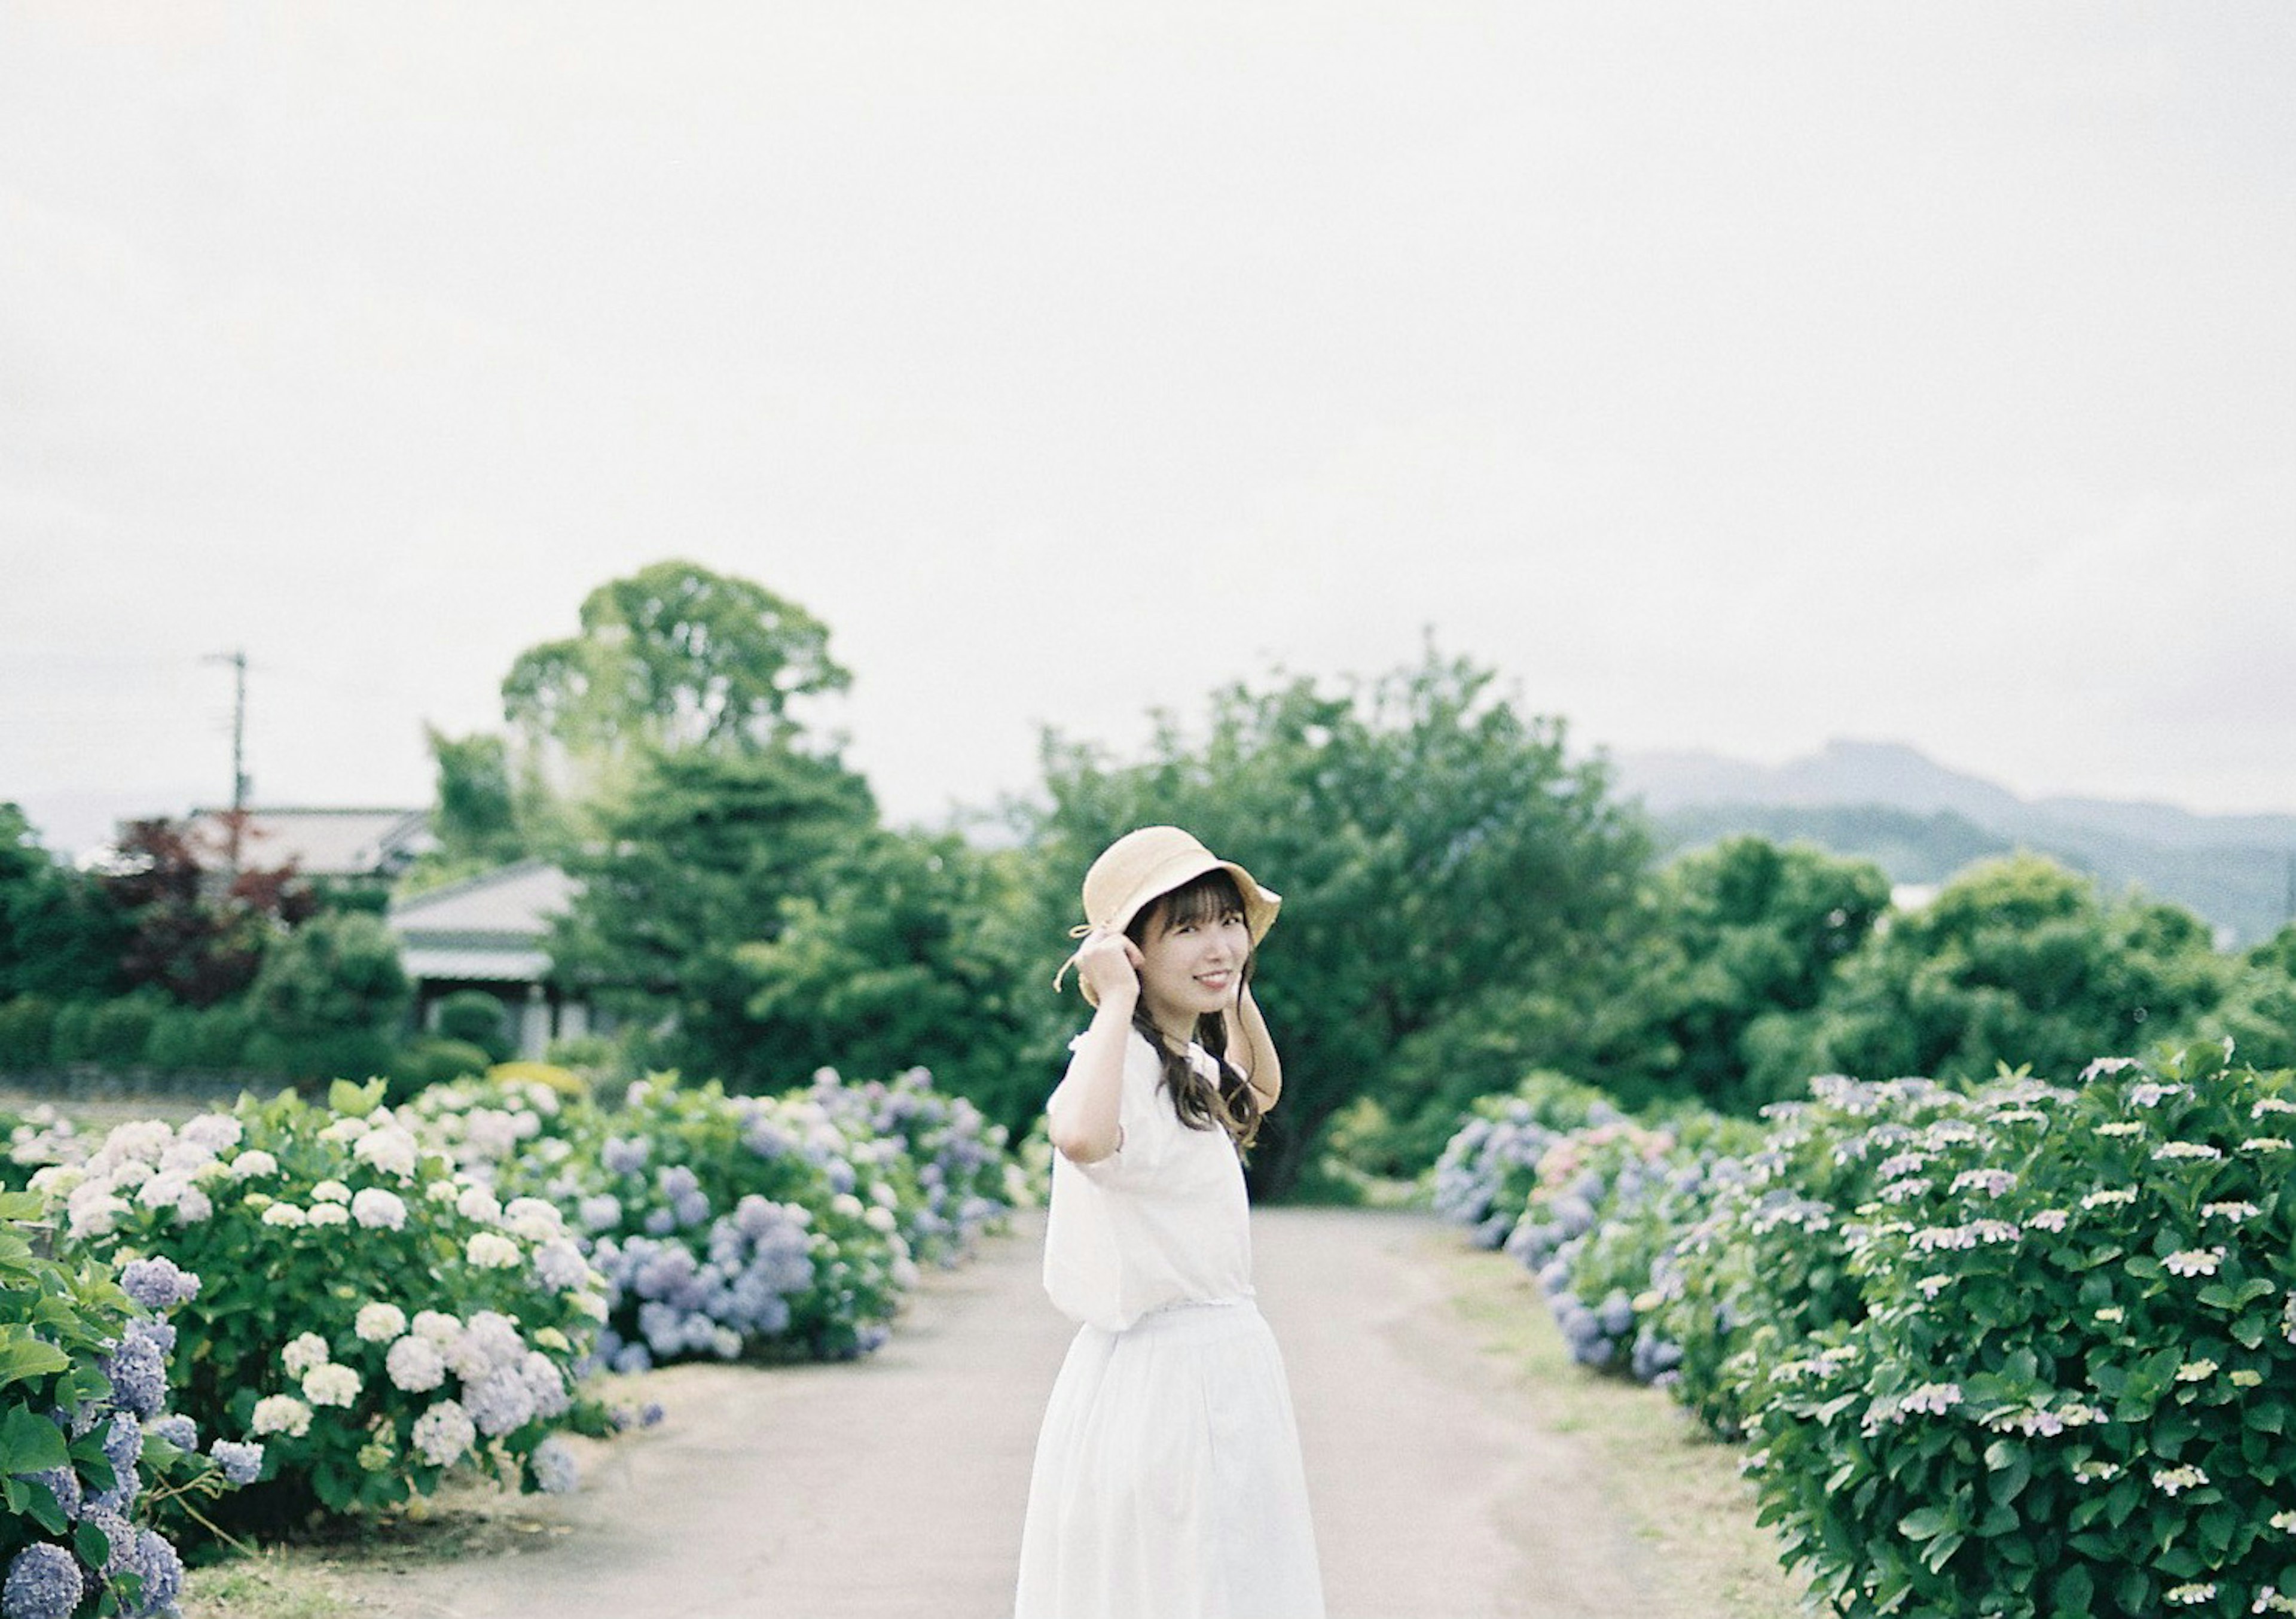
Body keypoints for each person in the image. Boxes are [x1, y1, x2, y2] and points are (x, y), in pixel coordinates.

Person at [1012, 825, 1326, 1619]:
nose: (1217, 940)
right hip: (1167, 1378)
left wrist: (1229, 982)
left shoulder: (1184, 1060)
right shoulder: (1119, 1057)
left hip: (1213, 1364)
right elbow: (1082, 1137)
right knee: (1184, 1586)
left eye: (1227, 920)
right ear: (1132, 952)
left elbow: (1260, 1090)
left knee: (1222, 1581)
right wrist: (1116, 997)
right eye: (1185, 926)